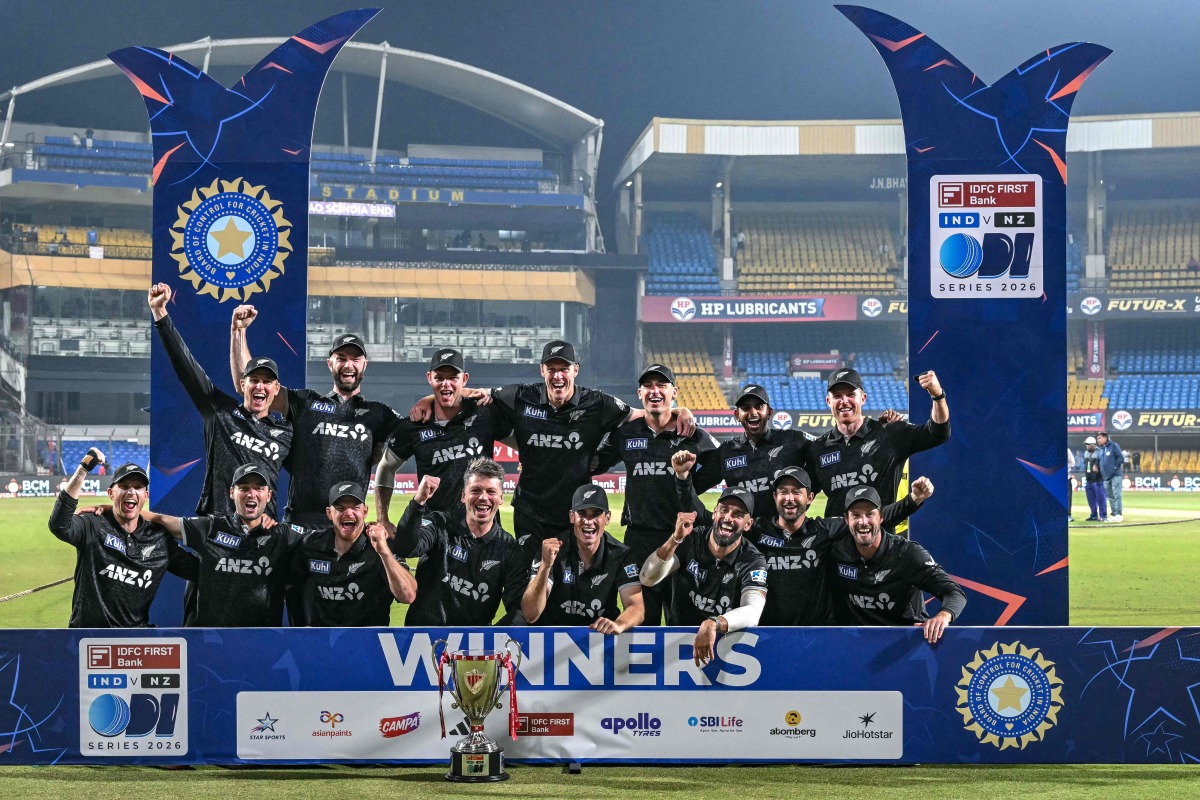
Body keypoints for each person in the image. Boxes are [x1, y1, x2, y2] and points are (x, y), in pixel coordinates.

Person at [416, 340, 678, 555]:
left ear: (575, 370)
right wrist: (428, 400)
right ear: (542, 371)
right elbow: (466, 393)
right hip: (530, 514)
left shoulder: (598, 403)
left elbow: (644, 414)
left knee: (570, 591)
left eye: (563, 369)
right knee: (531, 588)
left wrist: (681, 412)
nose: (558, 375)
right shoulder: (520, 396)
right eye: (551, 369)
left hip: (575, 516)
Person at [672, 453, 932, 625]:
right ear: (774, 498)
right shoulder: (756, 529)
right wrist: (683, 479)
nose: (789, 497)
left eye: (797, 491)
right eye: (783, 491)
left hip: (816, 634)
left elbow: (872, 518)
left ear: (809, 498)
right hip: (766, 633)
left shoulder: (825, 530)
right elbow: (709, 519)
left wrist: (913, 501)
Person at [231, 306, 401, 528]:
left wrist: (462, 393)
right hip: (300, 523)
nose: (348, 365)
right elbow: (249, 385)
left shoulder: (379, 414)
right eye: (341, 358)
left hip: (347, 526)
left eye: (355, 359)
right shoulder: (305, 403)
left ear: (364, 365)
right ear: (330, 363)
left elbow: (423, 426)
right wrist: (238, 331)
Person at [591, 363, 720, 624]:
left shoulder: (693, 434)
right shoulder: (626, 433)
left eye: (661, 385)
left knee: (683, 619)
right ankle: (643, 666)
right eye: (648, 386)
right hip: (639, 539)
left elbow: (722, 462)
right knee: (642, 619)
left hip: (684, 540)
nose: (655, 391)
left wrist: (691, 487)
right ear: (639, 393)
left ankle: (683, 666)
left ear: (674, 392)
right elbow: (593, 463)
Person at [150, 283, 292, 517]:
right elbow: (185, 365)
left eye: (267, 382)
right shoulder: (221, 413)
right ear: (242, 384)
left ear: (276, 389)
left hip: (264, 536)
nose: (260, 386)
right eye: (254, 380)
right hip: (217, 529)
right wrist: (160, 313)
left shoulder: (287, 432)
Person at [49, 451, 197, 628]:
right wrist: (83, 469)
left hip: (134, 640)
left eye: (138, 487)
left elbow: (201, 572)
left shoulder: (159, 538)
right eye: (124, 486)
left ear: (146, 495)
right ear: (111, 493)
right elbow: (59, 525)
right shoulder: (94, 524)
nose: (131, 492)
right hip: (88, 639)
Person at [142, 463, 301, 627]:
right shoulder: (211, 527)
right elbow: (160, 520)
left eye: (259, 488)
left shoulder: (283, 535)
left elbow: (321, 541)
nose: (251, 494)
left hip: (260, 641)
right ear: (232, 493)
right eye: (244, 488)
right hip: (212, 640)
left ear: (269, 495)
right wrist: (116, 511)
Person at [376, 348, 510, 530]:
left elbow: (521, 442)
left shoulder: (484, 413)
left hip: (482, 533)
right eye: (439, 378)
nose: (446, 384)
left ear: (465, 379)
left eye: (453, 377)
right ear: (429, 377)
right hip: (434, 535)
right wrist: (382, 518)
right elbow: (385, 467)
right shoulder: (414, 426)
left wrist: (526, 460)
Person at [639, 487, 768, 666]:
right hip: (678, 643)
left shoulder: (752, 559)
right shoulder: (692, 539)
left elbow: (753, 612)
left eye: (738, 514)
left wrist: (713, 623)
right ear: (715, 513)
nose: (728, 518)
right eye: (724, 509)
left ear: (748, 524)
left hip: (725, 649)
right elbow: (647, 578)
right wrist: (675, 539)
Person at [393, 458, 527, 625]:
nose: (483, 497)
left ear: (501, 497)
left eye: (491, 492)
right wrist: (418, 502)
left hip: (471, 648)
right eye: (476, 490)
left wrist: (492, 638)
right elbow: (406, 548)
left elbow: (520, 609)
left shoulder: (509, 549)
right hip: (424, 638)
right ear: (464, 495)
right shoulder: (439, 524)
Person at [805, 367, 950, 519]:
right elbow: (803, 497)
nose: (844, 401)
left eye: (851, 394)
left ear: (863, 398)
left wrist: (937, 395)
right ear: (829, 401)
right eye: (837, 396)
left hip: (881, 539)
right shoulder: (818, 449)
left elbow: (938, 433)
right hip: (837, 540)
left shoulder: (891, 433)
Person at [829, 485, 966, 644]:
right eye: (856, 515)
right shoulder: (837, 551)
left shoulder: (908, 554)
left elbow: (954, 592)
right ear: (846, 520)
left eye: (870, 514)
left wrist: (943, 616)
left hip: (907, 643)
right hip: (859, 644)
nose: (863, 522)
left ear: (881, 517)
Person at [289, 482, 416, 626]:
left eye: (355, 507)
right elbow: (292, 586)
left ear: (365, 512)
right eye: (340, 508)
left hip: (369, 641)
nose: (348, 513)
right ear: (329, 513)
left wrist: (384, 553)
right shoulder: (312, 545)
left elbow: (408, 596)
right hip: (325, 641)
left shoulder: (383, 546)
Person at [522, 483, 644, 632]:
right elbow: (530, 614)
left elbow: (636, 606)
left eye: (596, 514)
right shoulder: (553, 550)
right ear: (572, 517)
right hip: (556, 638)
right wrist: (545, 566)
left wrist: (620, 624)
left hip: (600, 637)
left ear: (607, 518)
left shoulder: (620, 554)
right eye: (582, 513)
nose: (588, 521)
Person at [690, 383, 814, 519]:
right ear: (737, 415)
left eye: (759, 406)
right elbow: (693, 488)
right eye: (746, 407)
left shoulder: (794, 440)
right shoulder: (726, 451)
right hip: (744, 536)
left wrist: (802, 506)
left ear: (770, 412)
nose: (753, 412)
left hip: (783, 535)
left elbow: (824, 465)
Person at [1097, 431, 1125, 522]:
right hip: (1106, 477)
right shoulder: (1101, 450)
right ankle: (1114, 514)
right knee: (1110, 496)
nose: (1098, 440)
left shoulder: (1114, 446)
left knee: (1117, 495)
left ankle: (1119, 514)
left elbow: (1120, 457)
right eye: (1097, 438)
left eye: (1100, 438)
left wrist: (1115, 467)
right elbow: (1100, 461)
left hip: (1115, 475)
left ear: (1105, 438)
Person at [1083, 436, 1108, 522]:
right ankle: (1093, 515)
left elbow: (1104, 465)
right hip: (1089, 480)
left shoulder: (1100, 452)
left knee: (1101, 499)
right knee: (1091, 500)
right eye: (1086, 444)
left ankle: (1103, 516)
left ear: (1093, 445)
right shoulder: (1086, 453)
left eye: (1088, 444)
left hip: (1098, 480)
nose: (1086, 446)